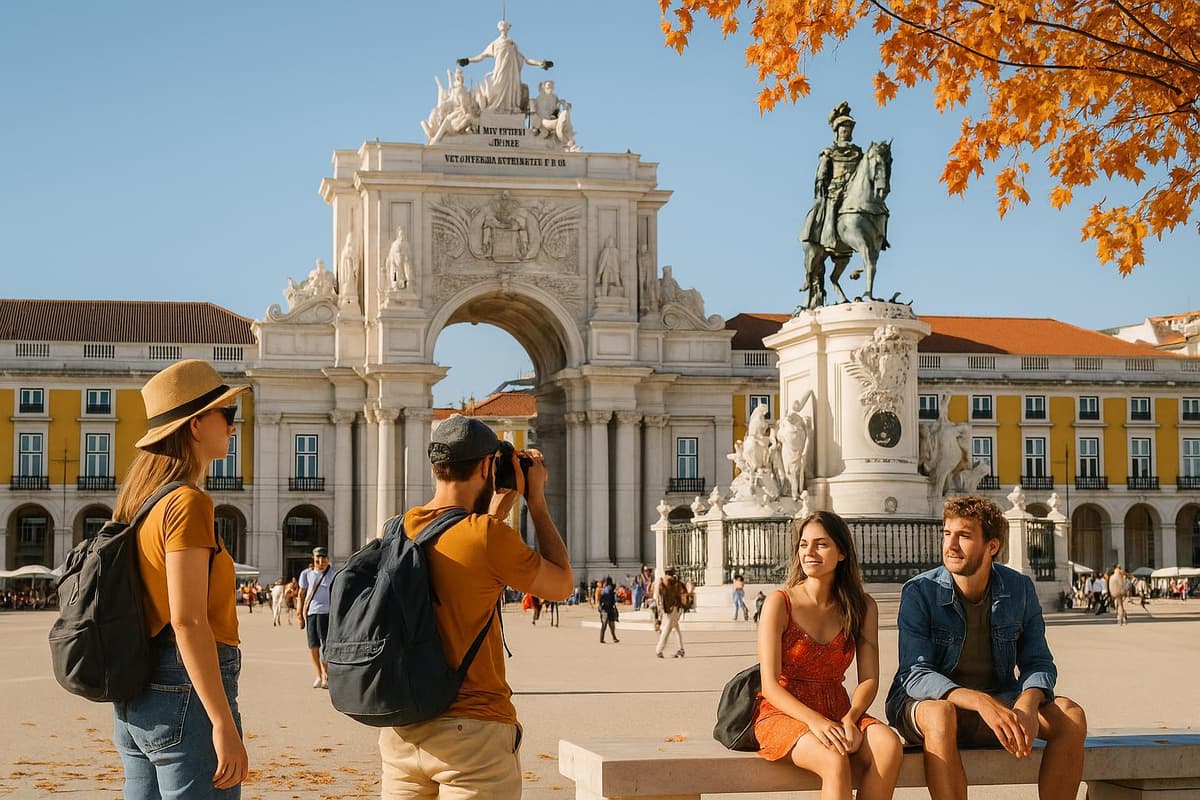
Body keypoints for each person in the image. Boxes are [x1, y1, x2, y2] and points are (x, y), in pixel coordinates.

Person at [379, 414, 572, 799]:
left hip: (403, 733)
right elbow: (561, 584)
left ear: (436, 466)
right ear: (487, 466)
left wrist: (497, 506)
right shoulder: (488, 537)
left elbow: (460, 546)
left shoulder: (397, 529)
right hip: (473, 734)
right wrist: (534, 501)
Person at [886, 495, 1088, 800]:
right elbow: (915, 675)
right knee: (941, 715)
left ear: (991, 546)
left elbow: (1038, 661)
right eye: (947, 534)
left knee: (1071, 715)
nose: (950, 545)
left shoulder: (1018, 588)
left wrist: (1027, 703)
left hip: (997, 705)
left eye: (964, 536)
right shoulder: (920, 591)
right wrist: (980, 701)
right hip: (926, 707)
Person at [110, 359, 249, 798]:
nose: (232, 426)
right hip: (186, 692)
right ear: (194, 426)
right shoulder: (188, 504)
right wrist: (223, 723)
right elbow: (187, 620)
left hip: (137, 692)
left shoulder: (140, 505)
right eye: (225, 415)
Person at [753, 511, 902, 800]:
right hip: (783, 711)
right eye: (803, 544)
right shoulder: (779, 602)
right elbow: (769, 686)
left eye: (821, 544)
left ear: (842, 553)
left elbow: (869, 678)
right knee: (834, 758)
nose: (809, 552)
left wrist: (851, 717)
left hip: (840, 710)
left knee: (889, 745)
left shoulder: (863, 607)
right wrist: (816, 722)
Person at [458, 20, 552, 114]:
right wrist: (468, 60)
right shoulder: (495, 43)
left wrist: (540, 63)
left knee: (511, 91)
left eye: (504, 24)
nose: (502, 25)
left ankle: (509, 109)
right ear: (498, 27)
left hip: (511, 73)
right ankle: (495, 108)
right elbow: (482, 55)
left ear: (508, 27)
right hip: (499, 70)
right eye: (501, 24)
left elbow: (526, 60)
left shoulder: (512, 44)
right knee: (496, 87)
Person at [297, 547, 333, 689]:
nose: (321, 561)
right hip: (312, 613)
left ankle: (326, 674)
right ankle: (318, 674)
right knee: (313, 646)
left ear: (327, 560)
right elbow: (301, 594)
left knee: (325, 645)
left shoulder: (333, 574)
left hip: (327, 614)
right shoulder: (306, 574)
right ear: (314, 559)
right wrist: (299, 614)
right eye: (318, 559)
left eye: (324, 559)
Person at [655, 568, 687, 658]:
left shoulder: (663, 581)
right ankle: (680, 649)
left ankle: (659, 650)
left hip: (669, 607)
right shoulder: (674, 581)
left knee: (669, 628)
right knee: (673, 628)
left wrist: (660, 609)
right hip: (675, 607)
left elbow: (659, 596)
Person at [598, 576, 620, 643]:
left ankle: (602, 639)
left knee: (604, 625)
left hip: (604, 609)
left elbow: (600, 600)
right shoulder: (610, 588)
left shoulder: (603, 590)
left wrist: (600, 607)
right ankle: (614, 638)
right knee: (611, 625)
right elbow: (615, 599)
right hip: (609, 609)